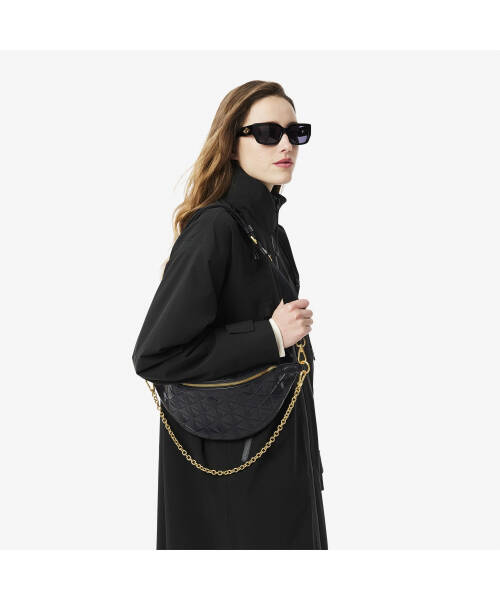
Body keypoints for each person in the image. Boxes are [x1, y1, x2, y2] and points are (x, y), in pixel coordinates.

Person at [132, 80, 327, 549]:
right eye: (267, 132)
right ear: (232, 142)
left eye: (295, 132)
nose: (286, 144)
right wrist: (270, 336)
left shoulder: (271, 234)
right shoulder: (215, 228)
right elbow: (155, 356)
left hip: (280, 458)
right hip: (230, 477)